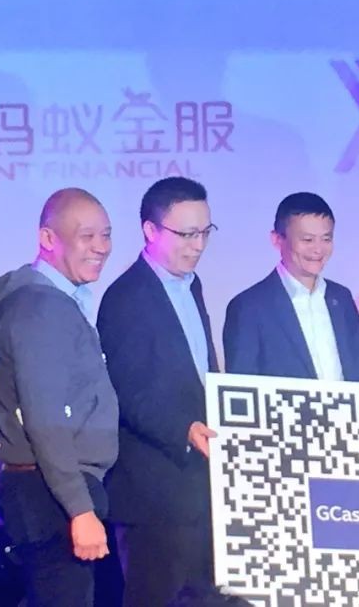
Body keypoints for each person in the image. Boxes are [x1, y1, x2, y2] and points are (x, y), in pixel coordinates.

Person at [0, 188, 119, 606]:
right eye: (87, 236)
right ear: (48, 238)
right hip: (51, 494)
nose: (101, 247)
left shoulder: (55, 303)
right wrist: (79, 509)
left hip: (56, 489)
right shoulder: (40, 307)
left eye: (106, 235)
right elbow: (45, 416)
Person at [98, 177, 219, 606]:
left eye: (205, 232)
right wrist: (183, 428)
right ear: (150, 230)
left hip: (198, 486)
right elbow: (128, 391)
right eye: (186, 234)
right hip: (152, 493)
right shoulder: (125, 298)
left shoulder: (191, 285)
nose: (198, 245)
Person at [224, 192, 359, 381]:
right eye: (307, 240)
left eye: (326, 239)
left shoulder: (341, 298)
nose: (318, 249)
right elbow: (242, 385)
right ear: (277, 239)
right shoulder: (249, 307)